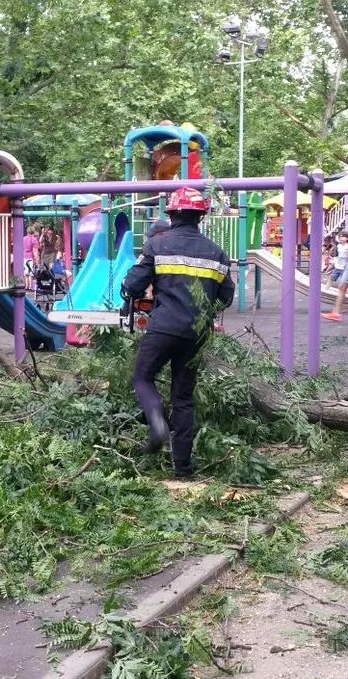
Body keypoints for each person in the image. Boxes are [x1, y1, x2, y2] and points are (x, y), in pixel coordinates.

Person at [122, 187, 233, 478]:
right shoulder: (218, 254)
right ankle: (183, 467)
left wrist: (130, 292)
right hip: (196, 333)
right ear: (200, 217)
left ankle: (157, 421)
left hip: (163, 327)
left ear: (171, 215)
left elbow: (133, 285)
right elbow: (226, 297)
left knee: (142, 376)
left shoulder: (157, 246)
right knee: (183, 397)